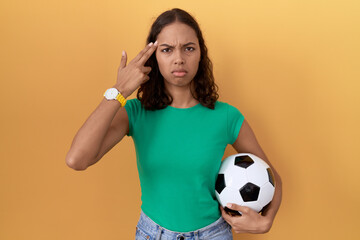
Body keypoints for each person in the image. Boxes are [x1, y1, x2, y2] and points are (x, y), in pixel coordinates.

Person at [65, 8, 282, 240]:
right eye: (167, 50)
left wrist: (266, 221)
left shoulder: (226, 116)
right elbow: (77, 159)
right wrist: (119, 91)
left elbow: (272, 177)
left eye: (188, 48)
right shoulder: (136, 113)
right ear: (153, 57)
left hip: (213, 234)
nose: (179, 58)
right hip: (153, 234)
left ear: (200, 53)